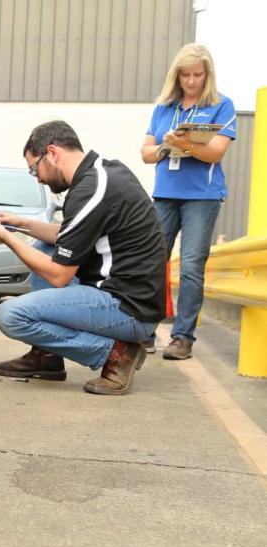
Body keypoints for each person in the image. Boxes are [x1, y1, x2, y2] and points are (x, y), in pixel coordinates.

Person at [0, 121, 166, 395]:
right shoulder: (101, 174)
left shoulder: (91, 190)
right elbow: (68, 236)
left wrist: (7, 238)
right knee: (45, 247)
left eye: (35, 169)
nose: (38, 178)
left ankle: (116, 354)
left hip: (129, 309)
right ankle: (46, 357)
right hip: (131, 298)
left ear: (52, 152)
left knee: (11, 315)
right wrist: (19, 223)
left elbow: (60, 275)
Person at [141, 43, 236, 360]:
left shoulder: (222, 106)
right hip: (165, 195)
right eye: (186, 75)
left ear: (207, 75)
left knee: (193, 266)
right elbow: (145, 153)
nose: (192, 81)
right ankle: (144, 332)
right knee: (153, 262)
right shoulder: (163, 108)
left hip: (202, 197)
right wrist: (167, 147)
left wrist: (186, 144)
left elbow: (217, 152)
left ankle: (182, 338)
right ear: (177, 75)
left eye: (197, 75)